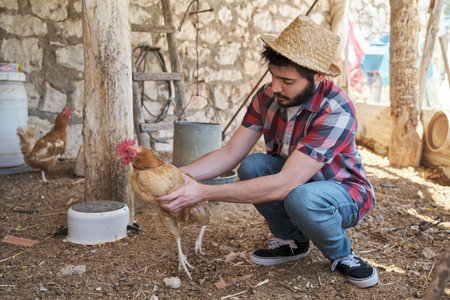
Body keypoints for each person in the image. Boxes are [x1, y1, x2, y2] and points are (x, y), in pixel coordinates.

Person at [156, 15, 378, 288]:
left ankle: (342, 254)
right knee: (252, 166)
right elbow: (229, 154)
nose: (275, 87)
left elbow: (285, 185)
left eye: (287, 80)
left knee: (301, 198)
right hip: (294, 180)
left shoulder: (337, 111)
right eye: (273, 75)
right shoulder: (267, 97)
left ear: (318, 76)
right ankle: (292, 242)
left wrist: (203, 191)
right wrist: (174, 175)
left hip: (343, 192)